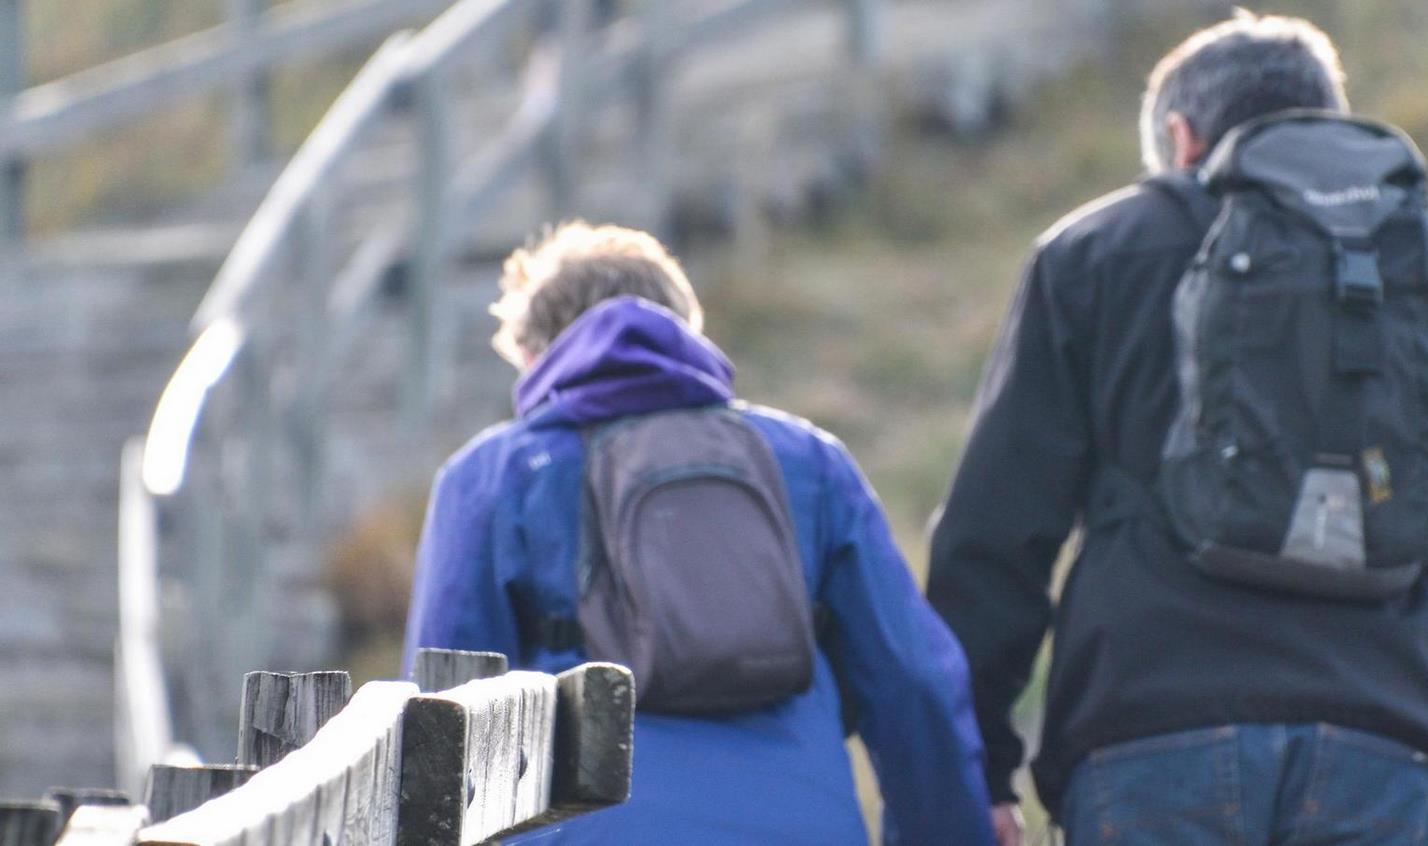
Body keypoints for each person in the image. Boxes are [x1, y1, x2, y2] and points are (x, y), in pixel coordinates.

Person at [927, 11, 1428, 846]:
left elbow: (994, 540)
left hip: (1148, 743)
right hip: (1389, 748)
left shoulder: (1094, 258)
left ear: (1181, 139)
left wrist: (974, 772)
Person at [403, 222, 995, 845]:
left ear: (532, 357)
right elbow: (912, 682)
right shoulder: (808, 460)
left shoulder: (492, 473)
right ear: (687, 329)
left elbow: (443, 711)